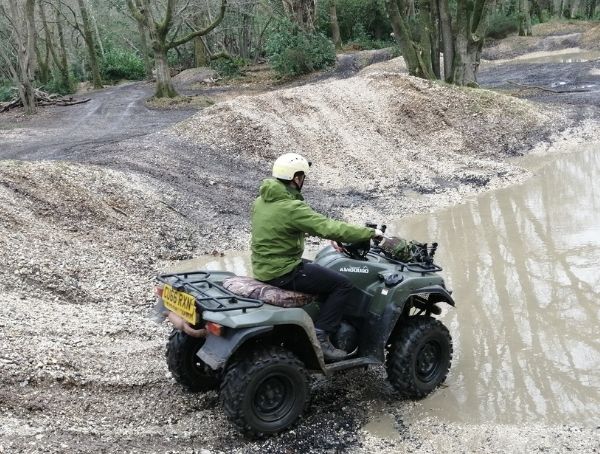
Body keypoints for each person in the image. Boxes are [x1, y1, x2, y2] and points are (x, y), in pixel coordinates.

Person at [250, 153, 383, 362]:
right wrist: (369, 233)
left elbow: (280, 229)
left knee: (318, 272)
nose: (303, 180)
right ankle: (322, 336)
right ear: (296, 178)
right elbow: (328, 226)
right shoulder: (292, 208)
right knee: (342, 285)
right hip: (283, 271)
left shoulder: (261, 201)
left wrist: (328, 237)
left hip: (263, 268)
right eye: (302, 176)